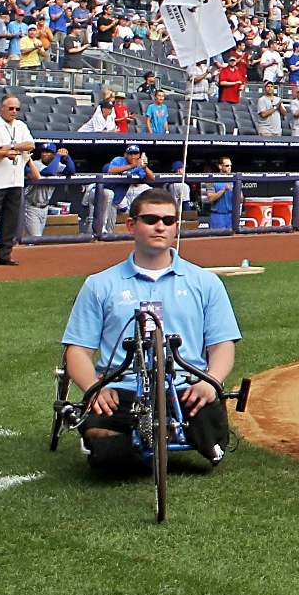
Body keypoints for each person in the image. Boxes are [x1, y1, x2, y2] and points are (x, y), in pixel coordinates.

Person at [61, 189, 241, 471]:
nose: (160, 226)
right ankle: (119, 443)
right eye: (150, 219)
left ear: (176, 227)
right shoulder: (99, 284)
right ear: (132, 225)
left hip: (185, 389)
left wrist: (211, 382)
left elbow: (222, 345)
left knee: (213, 439)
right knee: (104, 446)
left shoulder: (206, 283)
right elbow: (77, 351)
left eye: (168, 221)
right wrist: (95, 388)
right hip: (121, 391)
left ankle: (155, 439)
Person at [0, 96, 34, 267]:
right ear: (2, 108)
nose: (14, 112)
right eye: (11, 108)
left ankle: (5, 255)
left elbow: (30, 145)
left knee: (11, 220)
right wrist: (3, 153)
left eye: (17, 109)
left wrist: (10, 147)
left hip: (15, 180)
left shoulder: (21, 126)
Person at [98, 145, 155, 238]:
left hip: (116, 199)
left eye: (135, 153)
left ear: (139, 155)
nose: (133, 156)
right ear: (125, 155)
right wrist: (131, 166)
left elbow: (152, 178)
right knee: (108, 196)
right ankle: (98, 231)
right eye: (130, 154)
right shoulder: (118, 160)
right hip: (102, 193)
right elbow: (111, 171)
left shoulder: (139, 165)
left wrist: (144, 167)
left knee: (109, 231)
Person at [23, 142, 75, 241]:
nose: (44, 154)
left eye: (48, 152)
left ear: (53, 154)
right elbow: (49, 172)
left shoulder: (56, 164)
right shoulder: (36, 164)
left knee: (34, 240)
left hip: (44, 207)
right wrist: (58, 156)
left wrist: (67, 157)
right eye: (43, 151)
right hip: (31, 206)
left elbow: (71, 171)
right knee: (35, 239)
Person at [201, 156, 235, 232]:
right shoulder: (212, 179)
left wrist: (234, 190)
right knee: (217, 240)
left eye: (230, 166)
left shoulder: (235, 179)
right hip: (217, 215)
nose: (229, 168)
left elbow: (241, 199)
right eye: (227, 166)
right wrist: (223, 189)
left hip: (231, 215)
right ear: (220, 166)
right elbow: (211, 198)